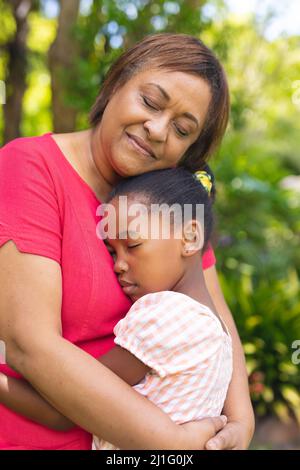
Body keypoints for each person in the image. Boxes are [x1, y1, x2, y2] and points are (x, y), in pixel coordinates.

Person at [0, 33, 254, 450]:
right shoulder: (31, 168)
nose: (156, 130)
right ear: (116, 84)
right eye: (150, 102)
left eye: (182, 129)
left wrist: (240, 426)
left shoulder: (171, 209)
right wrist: (169, 443)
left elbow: (217, 322)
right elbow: (30, 345)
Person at [0, 167, 233, 450]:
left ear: (190, 237)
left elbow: (61, 408)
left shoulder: (164, 317)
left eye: (133, 244)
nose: (118, 265)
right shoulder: (218, 331)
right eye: (112, 251)